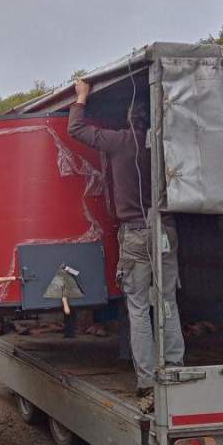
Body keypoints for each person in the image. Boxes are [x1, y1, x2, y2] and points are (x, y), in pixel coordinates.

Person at [68, 78, 184, 405]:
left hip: (136, 233)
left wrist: (81, 95)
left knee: (138, 307)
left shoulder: (119, 141)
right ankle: (176, 368)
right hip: (167, 230)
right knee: (167, 301)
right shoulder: (168, 147)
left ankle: (147, 381)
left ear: (129, 117)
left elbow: (76, 129)